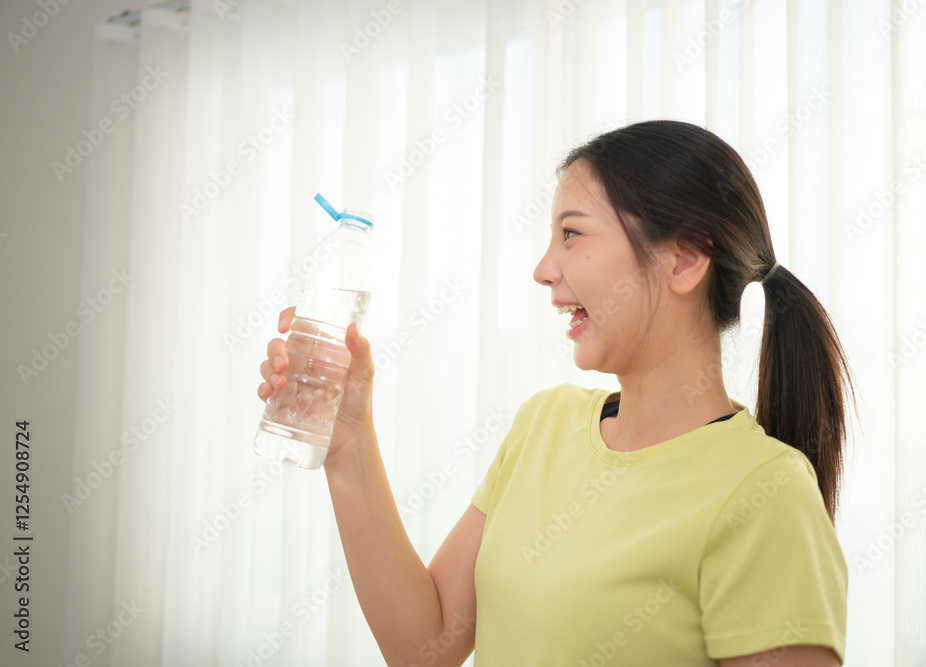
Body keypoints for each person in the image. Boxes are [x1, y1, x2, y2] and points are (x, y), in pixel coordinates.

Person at [257, 120, 854, 666]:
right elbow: (423, 648)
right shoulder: (544, 424)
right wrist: (347, 442)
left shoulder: (766, 492)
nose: (543, 269)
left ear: (684, 259)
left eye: (571, 233)